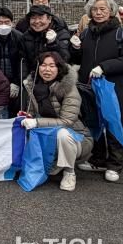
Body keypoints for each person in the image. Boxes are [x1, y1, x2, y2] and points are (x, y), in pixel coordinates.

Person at [70, 0, 123, 182]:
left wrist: (104, 67)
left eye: (103, 9)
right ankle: (98, 159)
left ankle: (114, 165)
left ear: (111, 12)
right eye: (95, 9)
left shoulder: (121, 33)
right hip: (89, 86)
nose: (98, 13)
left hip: (114, 87)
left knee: (113, 123)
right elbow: (77, 60)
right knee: (94, 122)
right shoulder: (86, 33)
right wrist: (75, 48)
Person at [21, 52, 93, 192]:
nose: (47, 70)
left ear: (59, 68)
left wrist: (37, 122)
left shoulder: (69, 88)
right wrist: (27, 116)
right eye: (43, 65)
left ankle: (69, 172)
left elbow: (67, 121)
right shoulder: (33, 85)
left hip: (77, 137)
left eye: (52, 66)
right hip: (47, 132)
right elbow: (33, 114)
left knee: (63, 134)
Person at [20, 4, 70, 77]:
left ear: (49, 19)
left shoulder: (61, 33)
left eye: (40, 18)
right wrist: (23, 80)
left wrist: (53, 43)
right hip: (33, 79)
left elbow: (65, 58)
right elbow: (23, 61)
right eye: (33, 18)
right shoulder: (26, 36)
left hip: (56, 79)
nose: (37, 21)